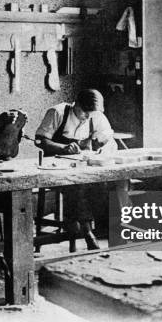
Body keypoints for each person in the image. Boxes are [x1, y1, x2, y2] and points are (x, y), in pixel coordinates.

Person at [35, 88, 117, 251]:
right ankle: (86, 232)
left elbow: (109, 138)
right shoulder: (57, 112)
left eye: (91, 113)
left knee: (103, 184)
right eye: (84, 112)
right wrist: (63, 148)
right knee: (77, 185)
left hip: (83, 165)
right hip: (56, 166)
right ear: (76, 105)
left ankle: (90, 227)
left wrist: (99, 145)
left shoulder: (95, 115)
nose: (87, 116)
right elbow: (40, 140)